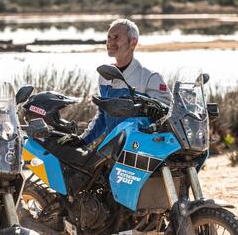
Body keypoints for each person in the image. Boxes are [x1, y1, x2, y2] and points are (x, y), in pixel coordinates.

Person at [61, 19, 172, 147]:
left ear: (133, 42)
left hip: (140, 151)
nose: (110, 42)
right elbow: (102, 115)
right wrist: (82, 140)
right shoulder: (105, 75)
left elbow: (167, 115)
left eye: (117, 37)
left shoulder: (150, 77)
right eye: (109, 37)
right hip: (112, 150)